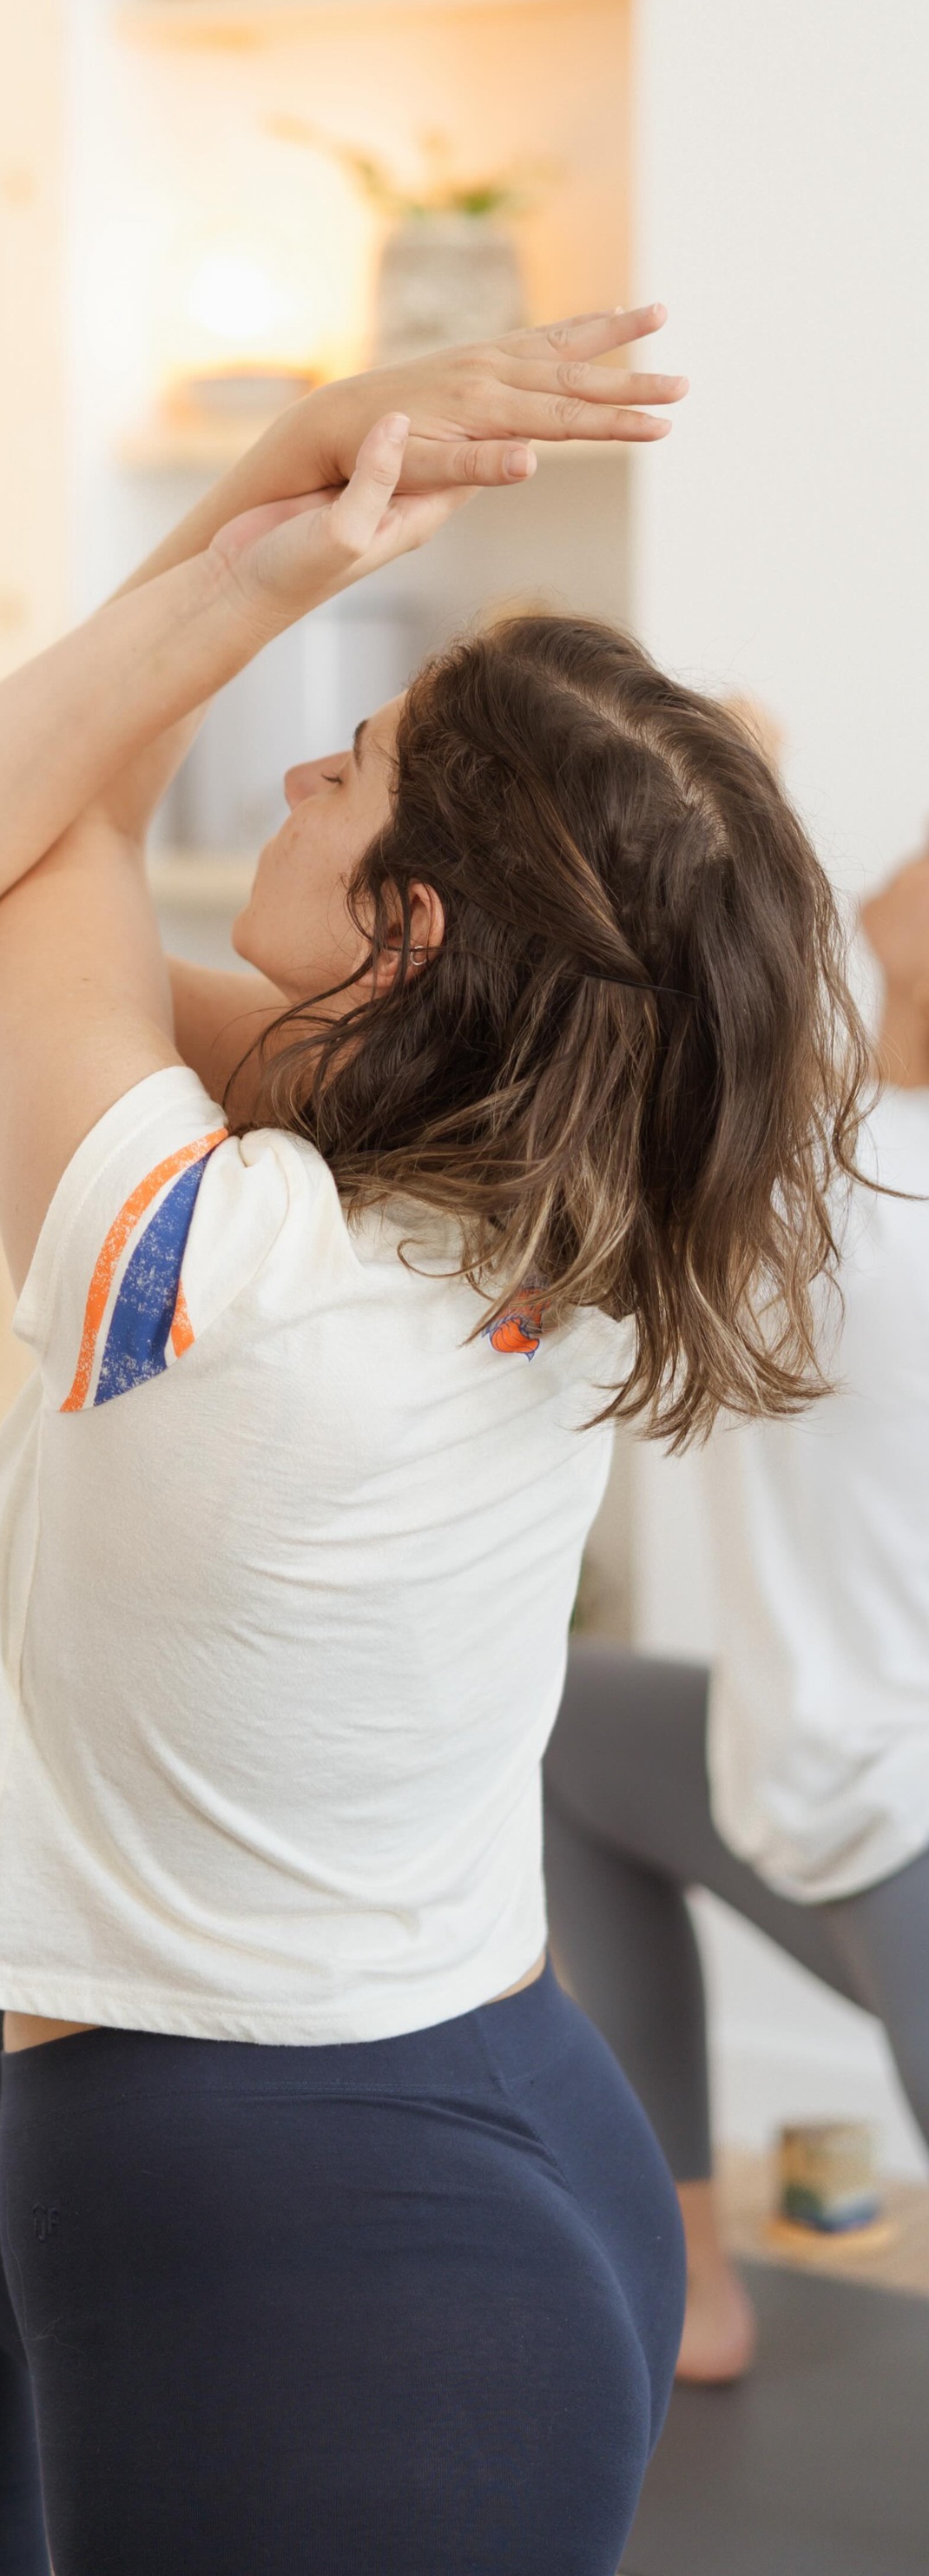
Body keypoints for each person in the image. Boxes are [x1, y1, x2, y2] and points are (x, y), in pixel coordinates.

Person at [0, 308, 869, 2576]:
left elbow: (8, 840)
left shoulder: (212, 1269)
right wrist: (271, 479)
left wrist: (274, 521)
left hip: (334, 2265)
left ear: (413, 925)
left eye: (340, 766)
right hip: (491, 2120)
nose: (291, 780)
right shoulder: (529, 1185)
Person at [545, 830, 929, 2386]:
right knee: (567, 1730)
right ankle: (688, 2287)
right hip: (846, 1804)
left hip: (898, 1831)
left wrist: (716, 795)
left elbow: (646, 1065)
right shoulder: (853, 1175)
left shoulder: (860, 1202)